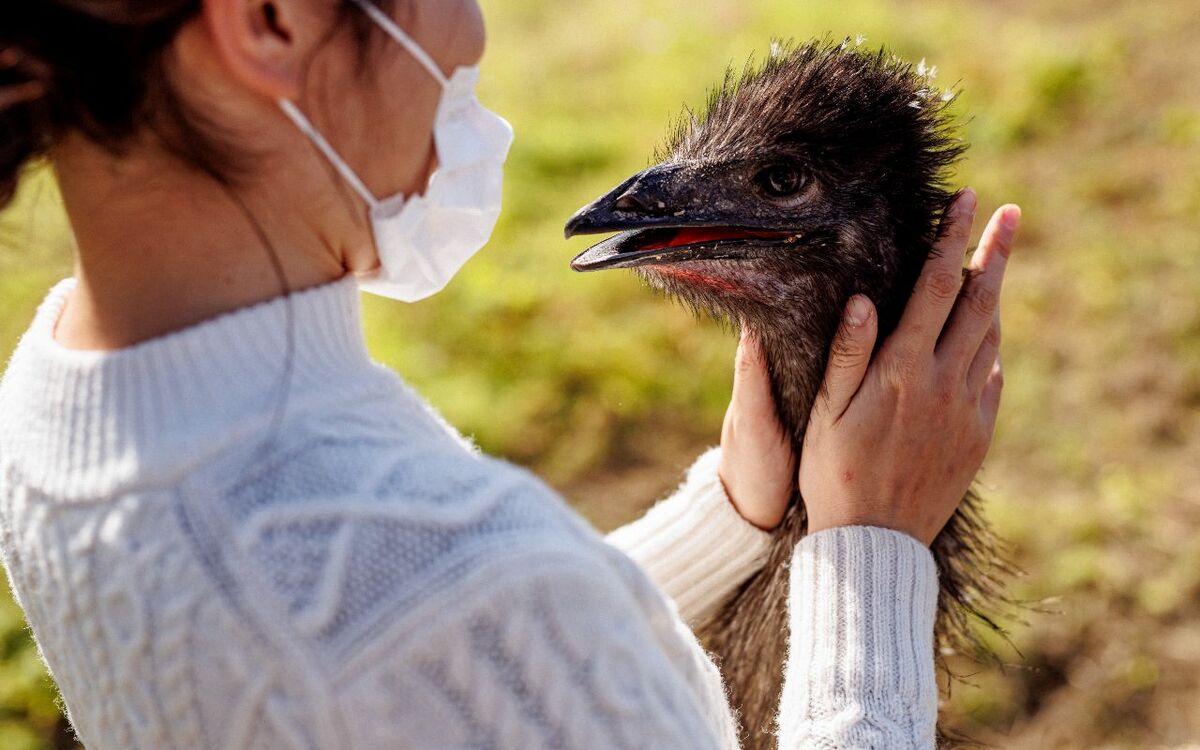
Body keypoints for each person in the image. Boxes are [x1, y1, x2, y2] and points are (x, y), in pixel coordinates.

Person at [0, 0, 1019, 748]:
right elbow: (455, 634)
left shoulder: (58, 411)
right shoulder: (454, 586)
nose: (471, 31)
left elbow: (426, 680)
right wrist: (869, 561)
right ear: (272, 20)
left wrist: (729, 517)